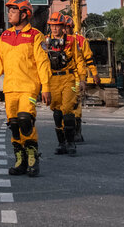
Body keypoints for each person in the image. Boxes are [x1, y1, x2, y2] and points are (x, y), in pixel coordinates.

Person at [0, 0, 51, 177]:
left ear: (24, 14)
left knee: (25, 120)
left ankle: (32, 158)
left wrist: (45, 87)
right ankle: (20, 160)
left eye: (13, 11)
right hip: (10, 88)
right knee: (14, 125)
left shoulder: (36, 36)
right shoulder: (5, 36)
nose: (9, 14)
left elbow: (43, 63)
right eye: (9, 11)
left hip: (29, 87)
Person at [43, 13, 85, 156]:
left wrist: (83, 79)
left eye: (57, 26)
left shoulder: (72, 41)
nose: (54, 29)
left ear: (63, 26)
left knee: (67, 110)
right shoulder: (45, 41)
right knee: (57, 112)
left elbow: (79, 60)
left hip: (69, 79)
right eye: (52, 26)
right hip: (52, 80)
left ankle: (71, 142)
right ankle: (61, 143)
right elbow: (40, 62)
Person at [65, 17, 100, 142]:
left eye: (66, 26)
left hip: (76, 77)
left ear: (71, 27)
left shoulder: (81, 40)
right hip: (61, 78)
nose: (63, 29)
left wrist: (94, 74)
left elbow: (89, 59)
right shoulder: (56, 40)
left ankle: (76, 131)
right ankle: (66, 131)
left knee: (75, 103)